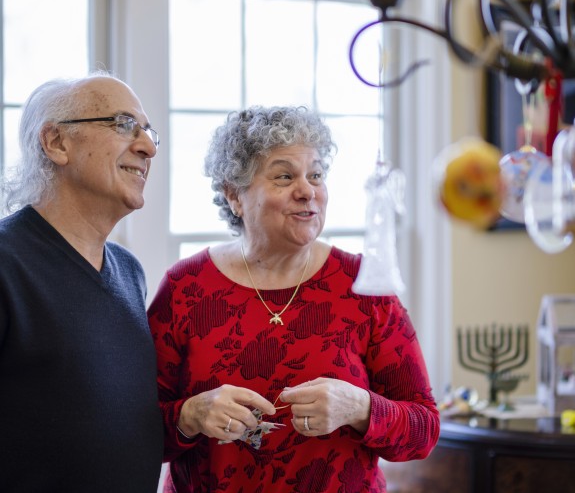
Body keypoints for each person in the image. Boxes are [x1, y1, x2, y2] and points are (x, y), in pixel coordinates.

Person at [147, 106, 440, 493]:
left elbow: (424, 429)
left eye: (315, 175)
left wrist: (360, 408)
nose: (307, 190)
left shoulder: (365, 285)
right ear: (234, 195)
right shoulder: (186, 287)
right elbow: (138, 433)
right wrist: (191, 415)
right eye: (285, 176)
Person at [0, 73, 164, 492]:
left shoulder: (129, 271)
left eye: (148, 132)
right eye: (124, 124)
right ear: (56, 143)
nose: (147, 146)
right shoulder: (6, 265)